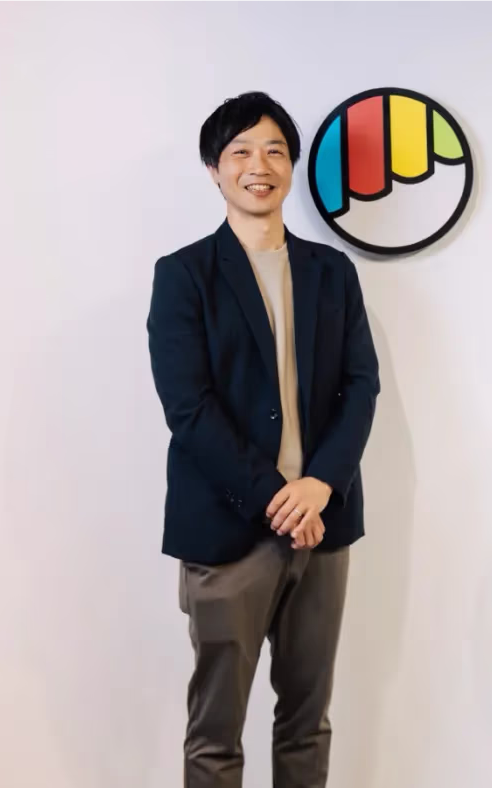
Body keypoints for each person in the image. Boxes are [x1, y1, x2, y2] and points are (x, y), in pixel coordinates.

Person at [146, 91, 380, 788]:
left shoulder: (331, 272)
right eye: (241, 151)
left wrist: (320, 485)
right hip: (228, 531)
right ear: (214, 169)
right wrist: (279, 498)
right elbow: (188, 408)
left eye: (275, 150)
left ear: (291, 166)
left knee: (308, 724)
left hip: (323, 528)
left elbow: (360, 386)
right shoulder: (184, 275)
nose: (260, 165)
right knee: (215, 734)